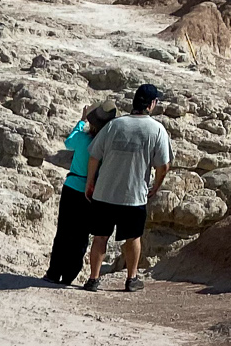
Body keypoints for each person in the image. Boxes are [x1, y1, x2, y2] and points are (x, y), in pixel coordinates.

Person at [82, 83, 172, 292]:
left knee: (100, 236)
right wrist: (156, 186)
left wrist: (90, 181)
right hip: (133, 195)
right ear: (152, 104)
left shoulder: (114, 125)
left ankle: (93, 279)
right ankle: (132, 279)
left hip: (105, 191)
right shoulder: (157, 129)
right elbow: (163, 165)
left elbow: (95, 155)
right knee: (133, 237)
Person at [43, 104, 116, 285]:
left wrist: (81, 120)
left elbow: (68, 142)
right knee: (81, 235)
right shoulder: (106, 145)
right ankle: (69, 276)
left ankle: (53, 273)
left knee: (64, 232)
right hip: (92, 192)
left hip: (72, 186)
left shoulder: (83, 139)